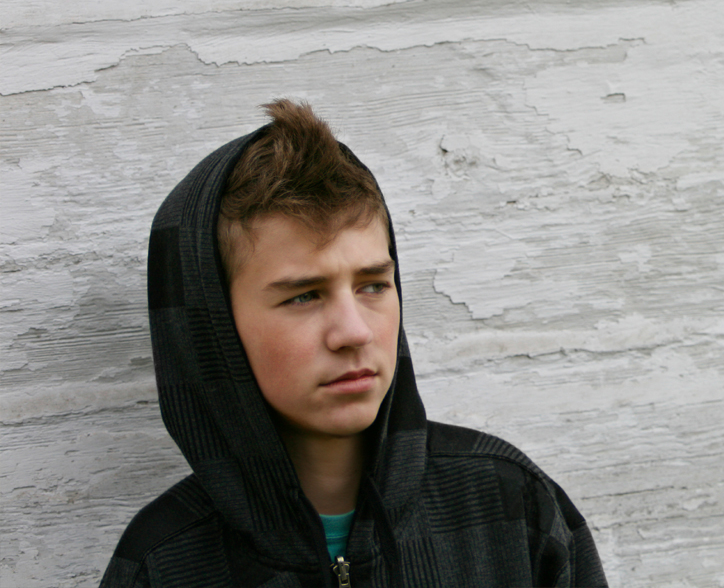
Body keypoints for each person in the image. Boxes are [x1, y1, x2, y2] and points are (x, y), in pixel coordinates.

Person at [99, 100, 607, 587]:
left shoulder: (509, 507)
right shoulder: (163, 564)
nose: (355, 331)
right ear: (214, 328)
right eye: (303, 296)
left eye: (372, 286)